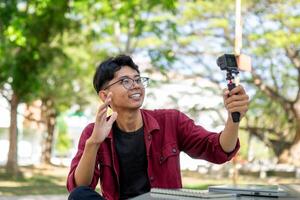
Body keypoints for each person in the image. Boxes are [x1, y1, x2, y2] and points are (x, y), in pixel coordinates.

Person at [66, 55, 249, 200]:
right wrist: (94, 143)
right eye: (125, 81)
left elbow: (218, 149)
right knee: (79, 195)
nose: (136, 85)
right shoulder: (94, 132)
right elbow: (79, 188)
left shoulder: (170, 120)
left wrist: (234, 118)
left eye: (137, 79)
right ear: (105, 95)